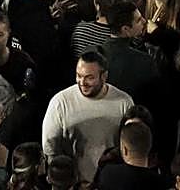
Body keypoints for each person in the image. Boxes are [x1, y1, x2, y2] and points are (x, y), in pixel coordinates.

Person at [40, 52, 134, 183]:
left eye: (90, 78)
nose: (82, 82)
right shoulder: (60, 102)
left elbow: (130, 146)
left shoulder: (124, 102)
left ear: (104, 76)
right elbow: (50, 150)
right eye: (79, 76)